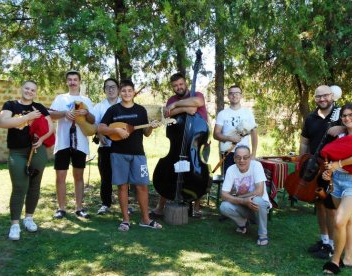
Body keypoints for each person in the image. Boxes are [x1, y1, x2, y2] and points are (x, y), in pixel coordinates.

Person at [97, 79, 162, 231]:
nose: (127, 93)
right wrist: (115, 131)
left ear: (134, 92)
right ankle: (125, 220)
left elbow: (145, 133)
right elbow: (101, 128)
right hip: (118, 154)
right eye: (124, 91)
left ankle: (145, 219)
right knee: (122, 187)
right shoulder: (114, 110)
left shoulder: (140, 110)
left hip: (138, 154)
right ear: (120, 93)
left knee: (143, 186)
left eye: (130, 91)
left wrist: (151, 127)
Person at [0, 80, 54, 240]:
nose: (29, 91)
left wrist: (42, 139)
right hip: (17, 152)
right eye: (27, 88)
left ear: (35, 92)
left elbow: (51, 128)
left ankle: (29, 218)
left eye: (33, 90)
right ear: (21, 89)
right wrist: (28, 117)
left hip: (37, 151)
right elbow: (4, 122)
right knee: (19, 187)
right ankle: (15, 225)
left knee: (34, 185)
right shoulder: (11, 105)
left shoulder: (40, 107)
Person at [321, 103, 352, 274]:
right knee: (348, 220)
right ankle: (348, 257)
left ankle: (335, 261)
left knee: (339, 220)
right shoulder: (340, 134)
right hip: (337, 180)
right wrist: (329, 172)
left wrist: (340, 164)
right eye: (344, 116)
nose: (348, 118)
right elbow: (332, 156)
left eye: (351, 115)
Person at [150, 73, 208, 218]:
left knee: (198, 174)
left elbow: (197, 104)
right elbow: (166, 113)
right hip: (177, 144)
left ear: (185, 83)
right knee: (169, 173)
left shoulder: (197, 94)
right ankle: (160, 207)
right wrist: (183, 108)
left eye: (180, 84)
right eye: (175, 85)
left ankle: (196, 208)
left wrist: (176, 105)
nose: (178, 87)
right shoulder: (171, 98)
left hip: (196, 141)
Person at [299, 85, 344, 259]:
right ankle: (324, 240)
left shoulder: (341, 114)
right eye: (318, 97)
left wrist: (341, 128)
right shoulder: (310, 118)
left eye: (325, 95)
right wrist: (301, 163)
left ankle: (332, 245)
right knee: (319, 202)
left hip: (334, 169)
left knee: (330, 206)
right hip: (315, 168)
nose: (322, 99)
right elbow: (304, 142)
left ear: (332, 96)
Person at [49, 70, 95, 219]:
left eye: (75, 79)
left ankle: (79, 208)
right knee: (60, 176)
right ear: (67, 82)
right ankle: (61, 208)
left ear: (80, 82)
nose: (73, 82)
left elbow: (93, 120)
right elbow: (50, 114)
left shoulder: (86, 100)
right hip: (62, 142)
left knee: (78, 176)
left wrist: (86, 113)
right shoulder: (60, 98)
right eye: (70, 79)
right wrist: (64, 113)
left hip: (80, 143)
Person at [219, 145, 270, 246]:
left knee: (257, 200)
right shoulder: (231, 169)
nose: (241, 160)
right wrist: (243, 201)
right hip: (244, 206)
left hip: (259, 208)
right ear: (234, 158)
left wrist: (238, 198)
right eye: (238, 157)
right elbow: (224, 195)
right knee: (224, 206)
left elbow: (259, 191)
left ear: (250, 157)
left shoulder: (256, 165)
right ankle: (242, 223)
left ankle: (263, 234)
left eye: (245, 157)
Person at [213, 85, 258, 175]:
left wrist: (253, 154)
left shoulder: (248, 113)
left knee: (245, 183)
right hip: (228, 153)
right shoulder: (222, 114)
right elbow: (216, 134)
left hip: (244, 154)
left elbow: (254, 135)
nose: (234, 95)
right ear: (228, 96)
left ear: (241, 96)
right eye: (231, 93)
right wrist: (231, 139)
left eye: (237, 93)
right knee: (229, 182)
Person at [93, 78, 121, 215]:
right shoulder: (99, 107)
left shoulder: (124, 104)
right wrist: (100, 135)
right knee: (105, 176)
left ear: (118, 89)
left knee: (123, 176)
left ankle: (125, 204)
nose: (111, 89)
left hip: (122, 147)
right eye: (108, 87)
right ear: (104, 90)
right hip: (105, 147)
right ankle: (105, 203)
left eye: (113, 87)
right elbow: (95, 124)